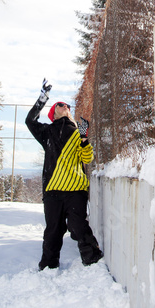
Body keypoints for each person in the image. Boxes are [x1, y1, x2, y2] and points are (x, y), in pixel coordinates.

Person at [25, 78, 103, 270]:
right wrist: (43, 98)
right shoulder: (47, 132)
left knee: (78, 226)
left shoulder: (78, 132)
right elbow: (30, 120)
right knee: (53, 230)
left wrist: (84, 139)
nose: (65, 106)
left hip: (75, 189)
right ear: (54, 113)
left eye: (67, 105)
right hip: (52, 191)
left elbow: (87, 158)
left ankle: (93, 260)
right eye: (60, 105)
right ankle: (48, 266)